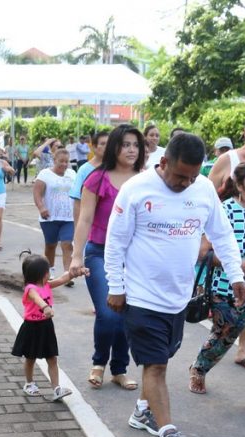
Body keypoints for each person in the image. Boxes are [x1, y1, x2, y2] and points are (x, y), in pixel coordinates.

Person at [105, 133, 245, 437]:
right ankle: (169, 435)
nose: (185, 183)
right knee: (155, 366)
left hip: (179, 297)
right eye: (179, 176)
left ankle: (143, 410)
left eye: (192, 176)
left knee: (162, 359)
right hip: (140, 295)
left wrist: (236, 275)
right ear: (164, 162)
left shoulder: (202, 189)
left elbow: (221, 234)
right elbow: (116, 241)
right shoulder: (136, 189)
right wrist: (115, 285)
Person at [188, 159, 245, 415]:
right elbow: (204, 251)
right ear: (239, 185)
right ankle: (199, 368)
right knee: (222, 339)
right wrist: (235, 264)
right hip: (231, 294)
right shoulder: (225, 210)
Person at [68, 125, 145, 394]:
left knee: (126, 314)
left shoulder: (145, 179)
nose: (131, 149)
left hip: (134, 259)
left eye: (135, 144)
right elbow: (85, 219)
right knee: (108, 312)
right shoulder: (96, 178)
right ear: (114, 146)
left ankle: (119, 370)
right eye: (125, 144)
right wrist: (76, 256)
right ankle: (99, 362)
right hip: (99, 253)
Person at [11, 252, 84, 401]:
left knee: (52, 358)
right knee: (30, 358)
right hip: (31, 327)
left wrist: (74, 273)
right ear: (42, 274)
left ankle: (56, 388)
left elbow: (63, 279)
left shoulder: (47, 285)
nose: (49, 274)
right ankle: (29, 383)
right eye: (48, 271)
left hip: (46, 327)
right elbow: (36, 298)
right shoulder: (30, 288)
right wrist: (45, 307)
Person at [33, 147, 77, 282]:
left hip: (68, 217)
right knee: (50, 245)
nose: (64, 164)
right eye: (61, 161)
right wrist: (41, 208)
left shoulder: (72, 174)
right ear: (54, 160)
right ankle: (50, 270)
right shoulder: (45, 174)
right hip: (49, 217)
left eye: (66, 162)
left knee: (67, 244)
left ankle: (67, 274)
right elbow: (37, 193)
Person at [69, 130, 110, 224]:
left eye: (109, 144)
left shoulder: (116, 167)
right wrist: (77, 232)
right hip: (90, 225)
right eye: (103, 144)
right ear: (94, 147)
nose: (107, 147)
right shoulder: (84, 170)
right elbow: (77, 202)